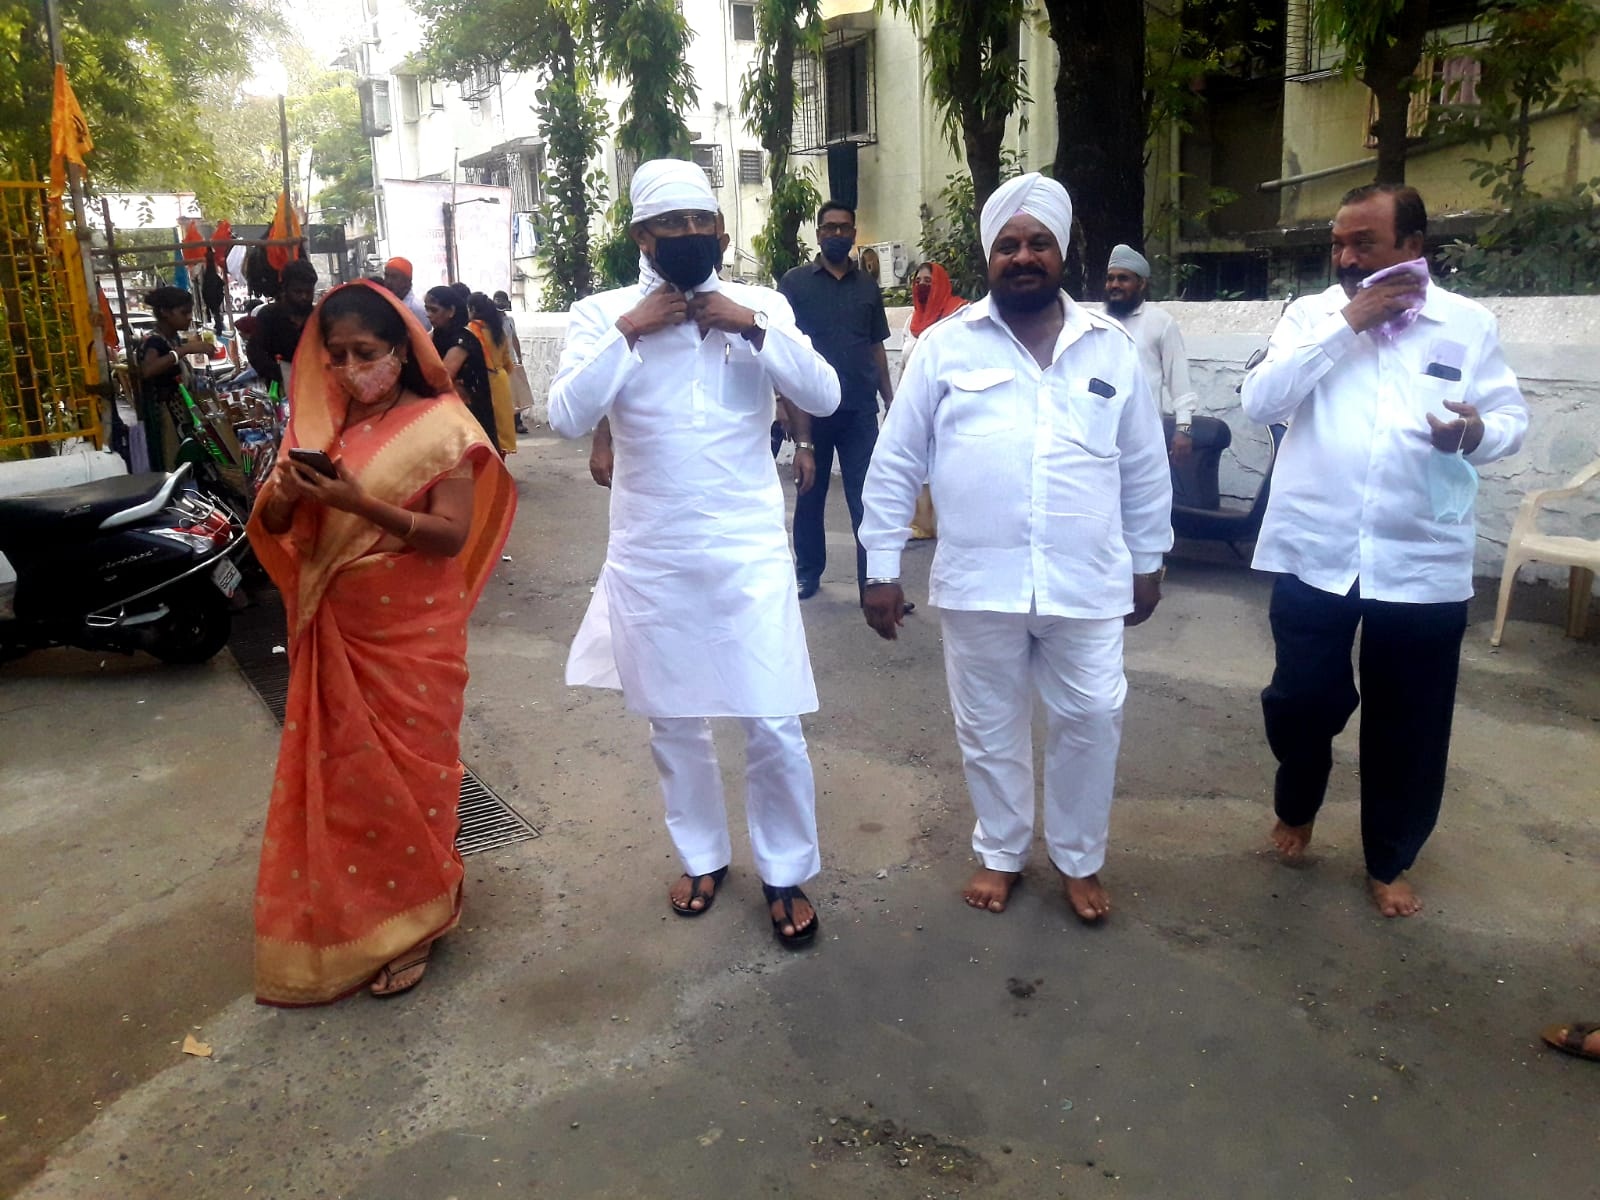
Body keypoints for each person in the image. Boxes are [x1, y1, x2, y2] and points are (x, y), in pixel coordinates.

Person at [859, 173, 1173, 923]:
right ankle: (1001, 851)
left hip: (1087, 582)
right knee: (988, 726)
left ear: (1062, 253)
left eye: (1038, 244)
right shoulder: (942, 348)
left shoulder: (1111, 348)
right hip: (980, 583)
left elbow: (1143, 462)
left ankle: (1078, 857)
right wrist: (880, 567)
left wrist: (1150, 559)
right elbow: (897, 460)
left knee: (1092, 718)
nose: (1023, 257)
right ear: (988, 257)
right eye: (1008, 245)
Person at [547, 158, 840, 948]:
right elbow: (567, 416)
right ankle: (704, 856)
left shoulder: (763, 305)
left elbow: (823, 396)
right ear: (642, 236)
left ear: (719, 227)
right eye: (670, 225)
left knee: (772, 718)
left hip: (747, 550)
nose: (688, 236)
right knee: (673, 720)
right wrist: (631, 330)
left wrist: (750, 326)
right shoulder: (602, 311)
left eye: (700, 222)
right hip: (654, 552)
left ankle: (785, 869)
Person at [1240, 182, 1528, 918]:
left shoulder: (1467, 324)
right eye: (1338, 242)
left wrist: (1474, 434)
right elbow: (1260, 401)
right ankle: (1298, 799)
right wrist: (1347, 325)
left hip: (1421, 557)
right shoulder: (1308, 316)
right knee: (1300, 700)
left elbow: (1509, 418)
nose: (1344, 256)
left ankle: (1389, 857)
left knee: (1412, 721)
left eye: (1362, 243)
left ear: (1412, 246)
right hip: (1315, 549)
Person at [247, 280, 516, 1004]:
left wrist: (357, 503)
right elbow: (271, 526)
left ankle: (420, 919)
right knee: (343, 783)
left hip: (409, 637)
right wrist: (289, 492)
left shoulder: (443, 428)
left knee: (413, 778)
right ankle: (362, 915)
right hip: (334, 620)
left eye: (364, 352)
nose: (348, 367)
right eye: (335, 355)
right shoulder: (319, 426)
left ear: (401, 351)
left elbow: (450, 536)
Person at [780, 199, 895, 603]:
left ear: (853, 234)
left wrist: (889, 399)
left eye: (844, 228)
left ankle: (874, 583)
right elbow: (783, 349)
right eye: (829, 228)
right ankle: (807, 574)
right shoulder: (794, 283)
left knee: (868, 498)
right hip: (811, 411)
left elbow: (876, 345)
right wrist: (783, 403)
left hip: (859, 412)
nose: (836, 234)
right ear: (818, 234)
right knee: (809, 495)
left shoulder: (866, 285)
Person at [1103, 244, 1200, 459]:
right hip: (1100, 436)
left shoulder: (1160, 322)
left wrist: (1183, 429)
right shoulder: (1095, 322)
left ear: (1141, 283)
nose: (1114, 285)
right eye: (1110, 278)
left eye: (1123, 278)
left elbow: (1180, 380)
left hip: (1144, 438)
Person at [900, 261, 968, 539]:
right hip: (917, 400)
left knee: (949, 461)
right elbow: (905, 363)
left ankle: (954, 522)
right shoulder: (911, 321)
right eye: (919, 280)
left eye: (929, 280)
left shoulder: (958, 313)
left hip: (948, 400)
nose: (923, 285)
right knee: (919, 462)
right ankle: (922, 522)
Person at [424, 285, 499, 449]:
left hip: (470, 412)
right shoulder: (436, 335)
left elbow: (441, 379)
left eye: (434, 310)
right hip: (450, 413)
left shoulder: (462, 339)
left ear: (451, 311)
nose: (428, 315)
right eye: (427, 309)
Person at [135, 285, 210, 431]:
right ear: (165, 312)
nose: (189, 317)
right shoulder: (153, 341)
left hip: (181, 415)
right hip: (166, 422)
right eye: (184, 313)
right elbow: (148, 370)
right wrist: (186, 350)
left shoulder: (173, 338)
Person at [245, 259, 318, 390]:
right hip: (279, 388)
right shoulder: (269, 316)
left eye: (308, 292)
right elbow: (255, 352)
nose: (304, 297)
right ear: (285, 289)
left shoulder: (318, 317)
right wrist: (281, 374)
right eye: (298, 292)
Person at [468, 291, 518, 455]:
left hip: (482, 381)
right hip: (500, 379)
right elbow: (507, 362)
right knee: (501, 425)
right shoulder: (498, 330)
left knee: (484, 425)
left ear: (473, 309)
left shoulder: (472, 330)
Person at [383, 257, 431, 330]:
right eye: (386, 276)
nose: (388, 281)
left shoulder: (417, 309)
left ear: (407, 281)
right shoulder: (385, 303)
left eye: (394, 277)